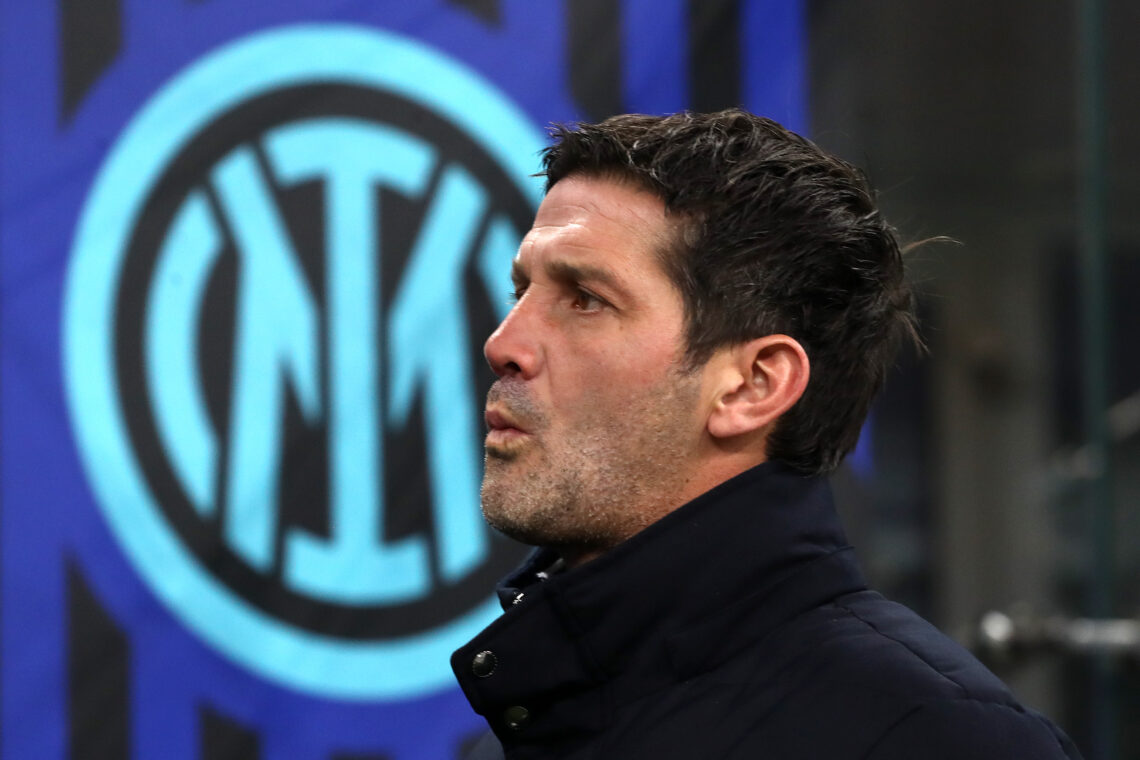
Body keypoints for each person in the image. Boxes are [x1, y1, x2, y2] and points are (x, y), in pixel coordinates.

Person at [450, 109, 1081, 759]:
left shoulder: (941, 740)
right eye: (521, 289)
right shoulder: (517, 736)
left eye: (585, 298)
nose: (504, 343)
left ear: (753, 385)